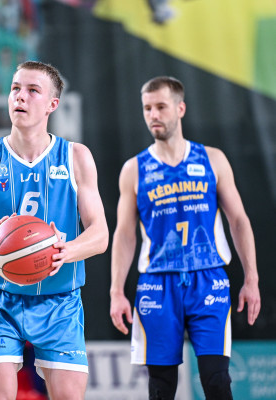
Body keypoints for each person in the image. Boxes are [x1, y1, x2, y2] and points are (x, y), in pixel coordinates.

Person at [0, 61, 109, 400]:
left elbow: (100, 234)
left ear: (52, 104)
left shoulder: (76, 157)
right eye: (15, 88)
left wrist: (65, 251)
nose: (20, 96)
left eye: (33, 90)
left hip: (59, 298)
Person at [109, 76, 261, 400]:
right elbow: (124, 234)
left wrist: (252, 278)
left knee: (216, 380)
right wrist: (116, 291)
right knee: (161, 387)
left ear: (180, 108)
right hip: (157, 283)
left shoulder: (212, 159)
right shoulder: (134, 169)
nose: (153, 115)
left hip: (208, 278)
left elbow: (239, 220)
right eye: (147, 108)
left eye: (161, 107)